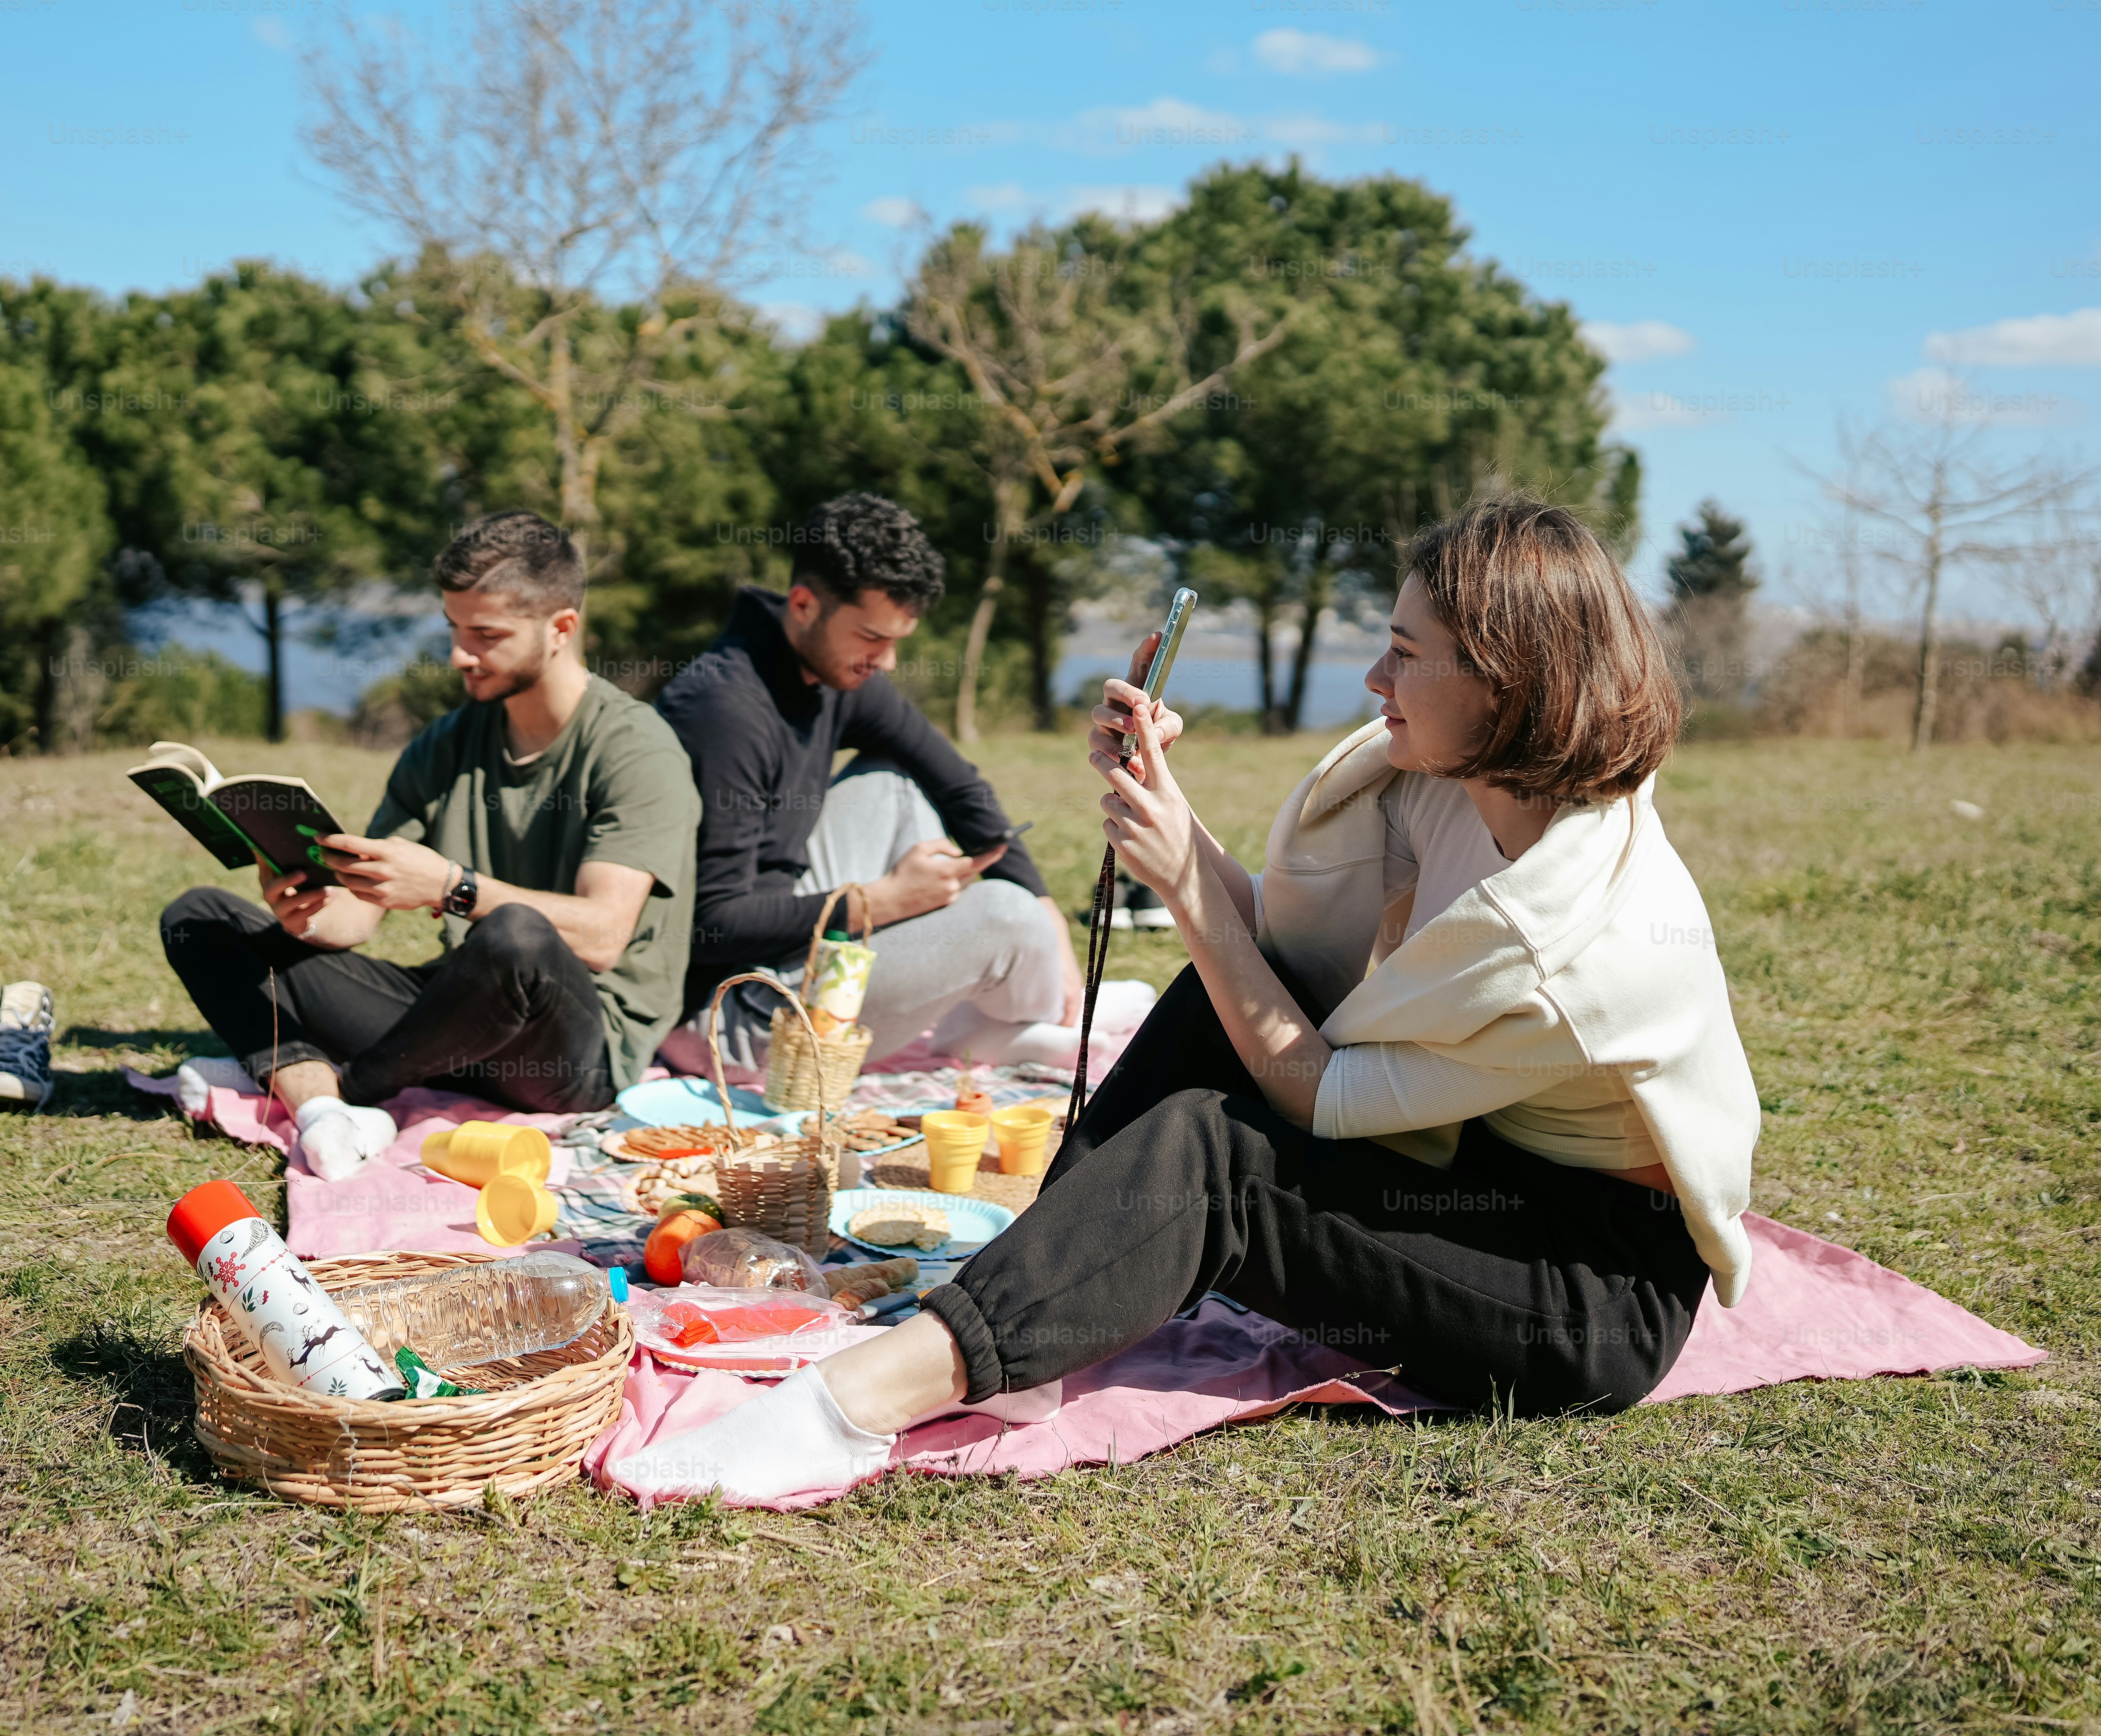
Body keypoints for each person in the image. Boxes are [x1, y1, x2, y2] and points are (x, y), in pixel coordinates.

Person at [616, 497, 1760, 1504]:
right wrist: (1175, 816)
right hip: (1484, 1171)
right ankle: (1035, 1323)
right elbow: (1281, 951)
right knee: (1218, 1003)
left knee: (1223, 1158)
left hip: (1580, 1292)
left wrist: (1183, 882)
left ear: (1506, 684)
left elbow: (1319, 1095)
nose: (1375, 681)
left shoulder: (1574, 939)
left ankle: (863, 1399)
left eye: (1405, 654)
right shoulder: (1459, 790)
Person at [158, 511, 701, 1178]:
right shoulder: (445, 745)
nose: (459, 656)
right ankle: (321, 1107)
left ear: (562, 629)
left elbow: (602, 936)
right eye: (453, 629)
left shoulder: (637, 750)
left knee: (518, 936)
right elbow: (362, 914)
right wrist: (312, 910)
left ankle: (341, 1089)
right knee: (198, 919)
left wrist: (453, 888)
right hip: (456, 1021)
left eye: (486, 635)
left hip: (570, 1053)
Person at [654, 493, 1082, 1066]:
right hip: (725, 1012)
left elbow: (954, 783)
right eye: (872, 639)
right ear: (804, 604)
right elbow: (712, 922)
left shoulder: (821, 666)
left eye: (896, 643)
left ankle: (1017, 1014)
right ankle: (1023, 1020)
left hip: (790, 934)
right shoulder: (724, 710)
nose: (887, 662)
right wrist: (878, 903)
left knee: (904, 781)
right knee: (1006, 912)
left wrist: (1051, 912)